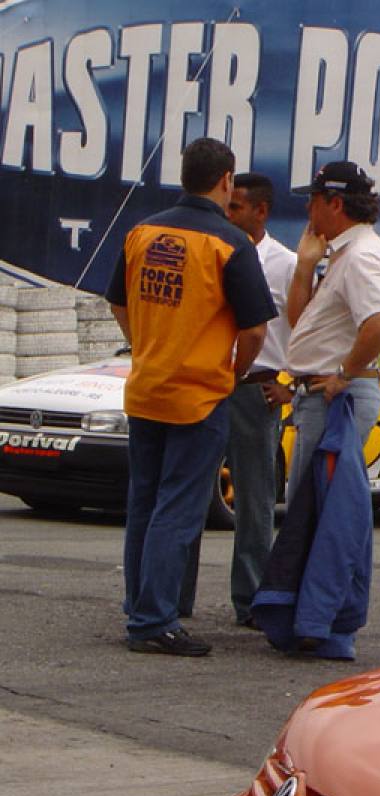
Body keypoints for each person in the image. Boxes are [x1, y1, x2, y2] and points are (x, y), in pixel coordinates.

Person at [106, 138, 275, 657]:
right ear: (226, 181)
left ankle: (141, 607)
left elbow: (116, 301)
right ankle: (154, 620)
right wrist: (233, 372)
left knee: (144, 503)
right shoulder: (229, 244)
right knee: (178, 509)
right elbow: (255, 330)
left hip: (147, 386)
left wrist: (147, 345)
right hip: (198, 395)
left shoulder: (142, 231)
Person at [283, 160, 380, 498]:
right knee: (310, 506)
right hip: (323, 395)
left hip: (335, 397)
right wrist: (305, 265)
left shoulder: (361, 256)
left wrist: (343, 374)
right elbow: (299, 322)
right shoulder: (346, 252)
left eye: (315, 199)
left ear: (335, 203)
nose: (308, 208)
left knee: (315, 508)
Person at [220, 172, 297, 627]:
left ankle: (250, 600)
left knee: (254, 501)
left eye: (236, 207)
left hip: (255, 389)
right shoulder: (213, 251)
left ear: (260, 211)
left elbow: (309, 329)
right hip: (206, 385)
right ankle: (174, 600)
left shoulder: (284, 265)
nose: (228, 214)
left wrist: (292, 383)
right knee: (190, 497)